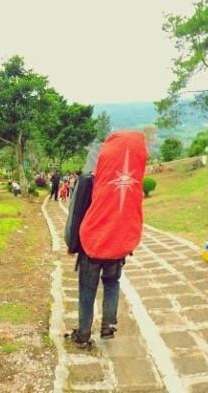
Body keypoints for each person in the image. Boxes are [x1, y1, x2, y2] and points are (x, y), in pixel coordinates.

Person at [70, 131, 147, 347]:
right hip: (119, 242)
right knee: (112, 282)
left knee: (87, 288)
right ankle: (107, 326)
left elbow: (78, 213)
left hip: (94, 242)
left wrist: (72, 242)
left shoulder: (93, 180)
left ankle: (83, 334)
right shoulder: (134, 184)